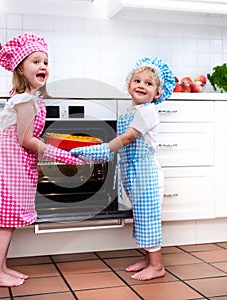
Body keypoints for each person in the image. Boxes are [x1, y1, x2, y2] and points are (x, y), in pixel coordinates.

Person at [0, 33, 84, 287]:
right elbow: (27, 141)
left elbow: (31, 137)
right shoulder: (24, 100)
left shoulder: (32, 99)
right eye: (35, 61)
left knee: (9, 220)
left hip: (18, 165)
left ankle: (1, 267)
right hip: (11, 166)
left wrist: (63, 147)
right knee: (5, 222)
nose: (43, 66)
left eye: (45, 62)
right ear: (21, 68)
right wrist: (62, 156)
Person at [70, 57, 175, 281]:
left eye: (148, 83)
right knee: (140, 216)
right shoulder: (133, 111)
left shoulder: (147, 112)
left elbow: (127, 138)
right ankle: (148, 259)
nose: (141, 85)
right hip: (134, 173)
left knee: (148, 218)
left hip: (146, 175)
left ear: (157, 93)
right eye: (137, 80)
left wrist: (99, 150)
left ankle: (157, 266)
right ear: (128, 85)